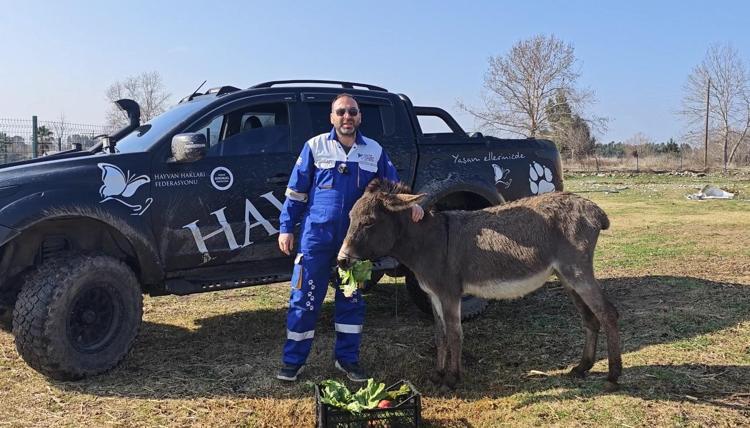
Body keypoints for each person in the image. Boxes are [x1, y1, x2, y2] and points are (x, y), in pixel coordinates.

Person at [276, 93, 423, 382]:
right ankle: (293, 362)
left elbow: (392, 187)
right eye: (341, 112)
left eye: (352, 112)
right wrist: (286, 227)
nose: (347, 117)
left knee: (351, 298)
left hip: (356, 242)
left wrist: (413, 204)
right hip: (316, 238)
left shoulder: (374, 151)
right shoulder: (315, 147)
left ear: (360, 117)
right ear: (332, 117)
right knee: (304, 298)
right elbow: (295, 193)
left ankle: (348, 360)